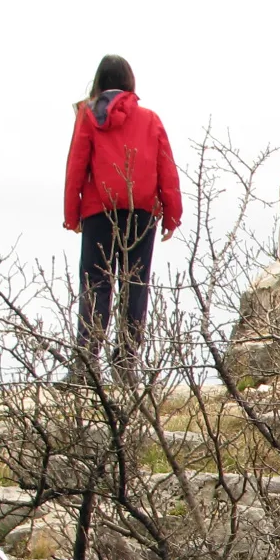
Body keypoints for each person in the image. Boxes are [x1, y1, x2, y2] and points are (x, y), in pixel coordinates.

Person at [63, 55, 181, 374]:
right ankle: (126, 362)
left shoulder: (88, 116)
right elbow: (166, 169)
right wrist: (172, 215)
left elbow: (77, 165)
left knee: (96, 282)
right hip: (142, 213)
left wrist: (71, 213)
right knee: (135, 283)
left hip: (99, 211)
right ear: (130, 82)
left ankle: (86, 364)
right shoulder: (151, 119)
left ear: (99, 82)